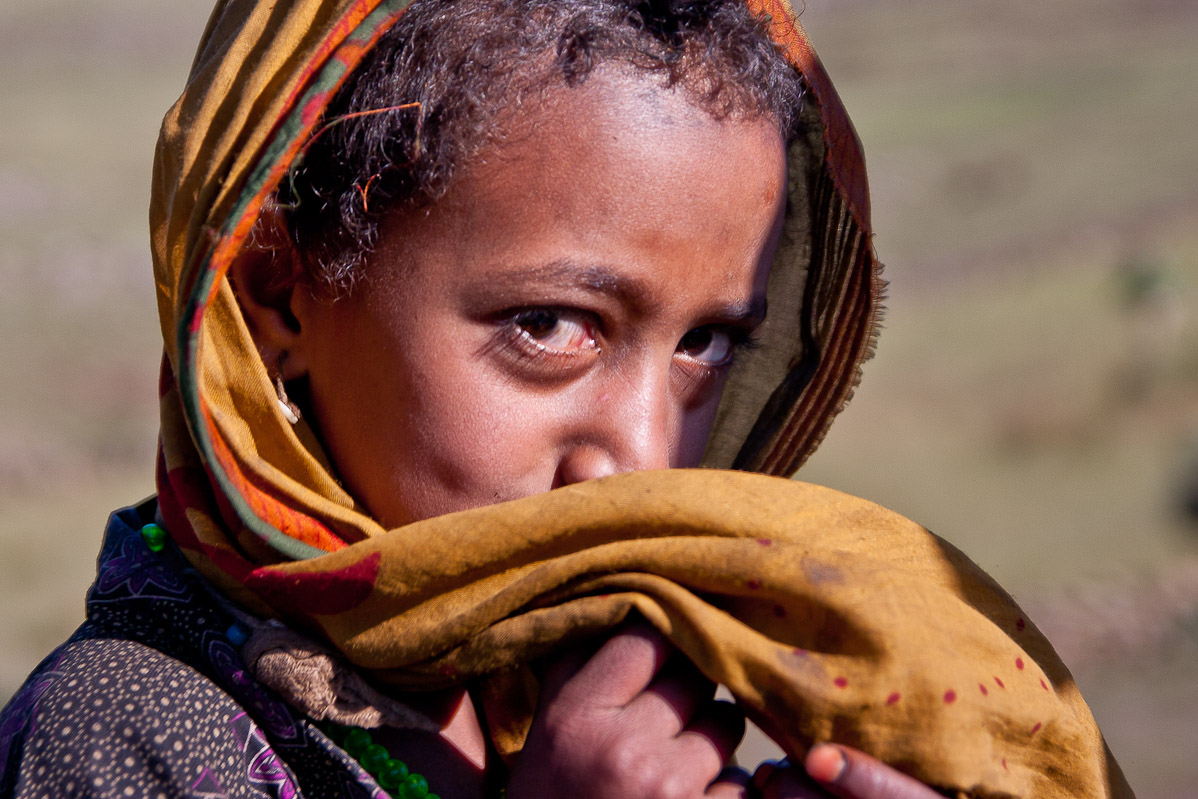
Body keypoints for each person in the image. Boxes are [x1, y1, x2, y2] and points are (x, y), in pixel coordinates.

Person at [0, 0, 1132, 798]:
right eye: (548, 326)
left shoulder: (591, 674)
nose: (639, 458)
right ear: (279, 295)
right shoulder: (121, 733)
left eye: (706, 344)